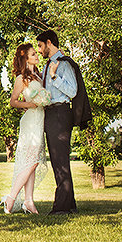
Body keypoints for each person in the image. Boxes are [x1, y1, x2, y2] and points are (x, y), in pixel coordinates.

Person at [0, 43, 49, 215]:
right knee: (33, 160)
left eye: (36, 53)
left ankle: (29, 201)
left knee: (32, 163)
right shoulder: (22, 78)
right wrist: (31, 104)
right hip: (30, 121)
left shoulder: (39, 76)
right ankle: (11, 197)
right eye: (33, 54)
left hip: (40, 119)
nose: (37, 56)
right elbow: (13, 101)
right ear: (26, 58)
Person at [36, 28, 77, 214]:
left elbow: (73, 91)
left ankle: (61, 207)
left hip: (60, 113)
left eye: (40, 45)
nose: (39, 50)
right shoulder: (47, 65)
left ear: (49, 43)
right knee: (58, 160)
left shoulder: (63, 65)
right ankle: (70, 204)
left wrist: (54, 77)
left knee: (60, 161)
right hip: (50, 115)